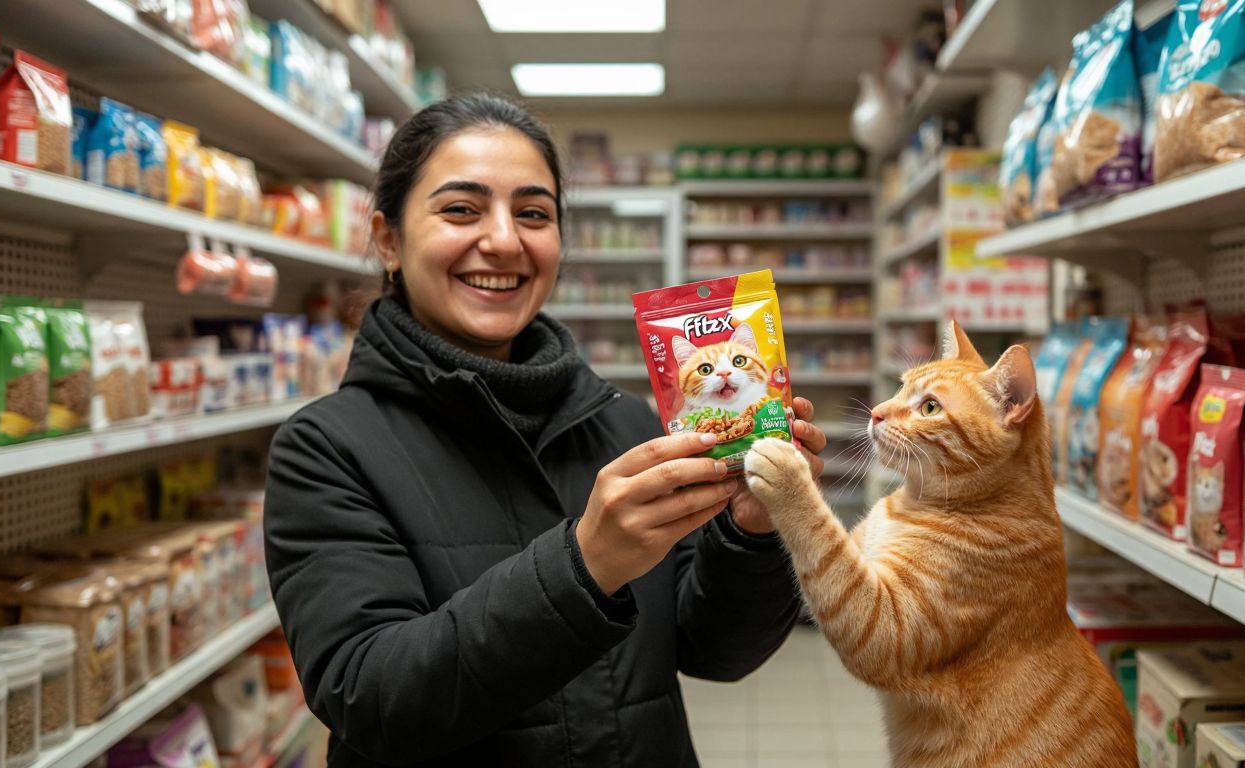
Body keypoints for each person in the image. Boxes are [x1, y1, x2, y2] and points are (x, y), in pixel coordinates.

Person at [264, 93, 831, 767]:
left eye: (533, 213)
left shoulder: (623, 425)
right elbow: (370, 701)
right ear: (388, 239)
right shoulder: (324, 449)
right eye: (460, 209)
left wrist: (753, 531)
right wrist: (585, 565)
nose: (504, 240)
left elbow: (716, 653)